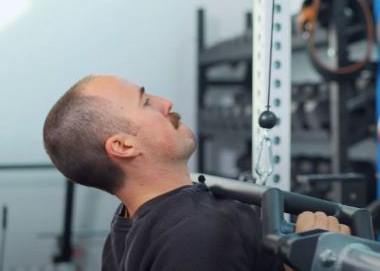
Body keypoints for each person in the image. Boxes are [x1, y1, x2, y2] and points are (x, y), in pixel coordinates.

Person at [42, 74, 350, 270]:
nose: (166, 103)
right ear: (123, 146)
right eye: (146, 102)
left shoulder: (125, 227)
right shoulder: (194, 233)